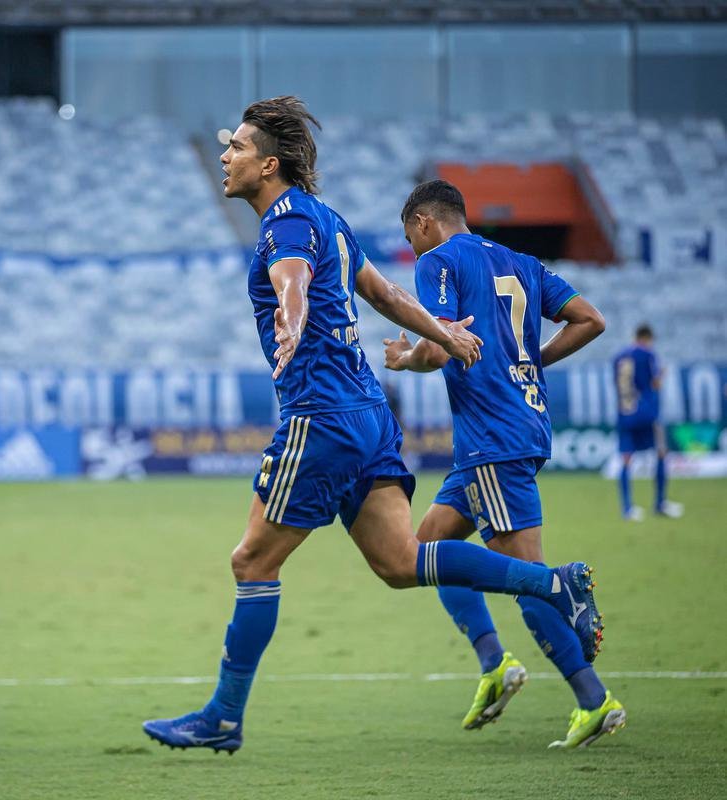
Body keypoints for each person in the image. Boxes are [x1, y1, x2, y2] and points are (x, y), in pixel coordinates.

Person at [142, 98, 604, 755]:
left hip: (321, 415)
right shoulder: (328, 220)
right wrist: (442, 330)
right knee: (399, 561)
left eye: (238, 148)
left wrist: (293, 315)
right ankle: (551, 583)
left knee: (251, 560)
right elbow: (385, 295)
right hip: (369, 415)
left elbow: (293, 278)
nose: (225, 156)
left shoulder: (286, 223)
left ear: (269, 164)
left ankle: (222, 714)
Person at [382, 179, 625, 749]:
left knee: (528, 580)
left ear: (422, 224)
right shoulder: (521, 261)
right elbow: (591, 319)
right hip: (512, 431)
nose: (415, 250)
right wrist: (530, 362)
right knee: (428, 550)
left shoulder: (439, 260)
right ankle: (495, 663)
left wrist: (406, 359)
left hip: (494, 437)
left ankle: (595, 700)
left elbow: (442, 344)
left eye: (410, 239)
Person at [614, 324, 684, 521]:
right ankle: (660, 503)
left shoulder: (619, 357)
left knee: (626, 459)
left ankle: (627, 508)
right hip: (646, 413)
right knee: (661, 452)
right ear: (647, 338)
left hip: (624, 413)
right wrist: (661, 375)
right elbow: (655, 383)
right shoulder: (648, 354)